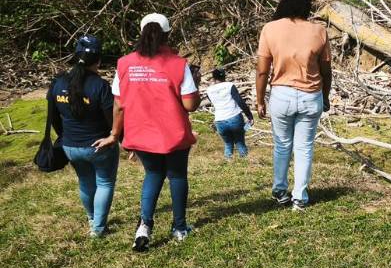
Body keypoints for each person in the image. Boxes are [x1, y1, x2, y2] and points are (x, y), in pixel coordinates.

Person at [95, 13, 200, 252]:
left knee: (153, 175)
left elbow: (119, 105)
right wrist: (197, 85)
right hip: (173, 134)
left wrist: (114, 134)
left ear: (141, 33)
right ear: (167, 35)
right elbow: (189, 105)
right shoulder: (178, 64)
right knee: (177, 177)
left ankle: (144, 226)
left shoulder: (124, 64)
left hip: (140, 134)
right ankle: (179, 227)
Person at [256, 0, 332, 212]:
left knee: (282, 146)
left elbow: (262, 71)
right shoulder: (319, 31)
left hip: (281, 95)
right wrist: (325, 97)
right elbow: (326, 71)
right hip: (311, 95)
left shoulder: (270, 29)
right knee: (304, 147)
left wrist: (260, 100)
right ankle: (300, 196)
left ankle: (280, 191)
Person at [48, 35, 118, 238]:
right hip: (99, 145)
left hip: (71, 145)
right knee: (104, 183)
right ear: (98, 60)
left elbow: (53, 117)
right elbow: (110, 119)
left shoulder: (57, 83)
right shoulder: (100, 86)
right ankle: (98, 228)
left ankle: (91, 218)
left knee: (85, 182)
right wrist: (113, 137)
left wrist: (64, 136)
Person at [206, 68, 254, 159]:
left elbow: (214, 103)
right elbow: (240, 102)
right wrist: (249, 115)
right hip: (234, 117)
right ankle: (245, 164)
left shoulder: (209, 90)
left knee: (228, 144)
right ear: (224, 76)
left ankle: (228, 163)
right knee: (240, 142)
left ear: (213, 78)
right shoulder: (229, 85)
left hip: (220, 120)